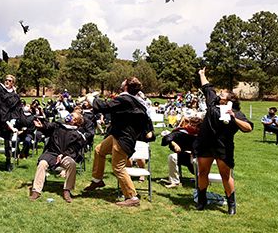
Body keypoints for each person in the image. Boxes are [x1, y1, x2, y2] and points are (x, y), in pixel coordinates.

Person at [84, 77, 154, 207]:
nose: (122, 81)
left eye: (125, 80)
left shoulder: (125, 99)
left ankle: (132, 197)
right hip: (118, 135)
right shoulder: (135, 101)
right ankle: (97, 180)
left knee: (118, 168)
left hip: (123, 138)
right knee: (99, 150)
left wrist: (90, 98)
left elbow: (104, 106)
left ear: (126, 86)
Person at [193, 67, 253, 215]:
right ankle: (202, 200)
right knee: (203, 173)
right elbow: (207, 87)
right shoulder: (212, 103)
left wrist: (234, 117)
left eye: (224, 92)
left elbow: (248, 128)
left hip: (223, 147)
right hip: (206, 144)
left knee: (225, 175)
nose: (221, 92)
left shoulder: (237, 113)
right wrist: (202, 74)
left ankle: (231, 204)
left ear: (230, 99)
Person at [29, 111, 86, 203]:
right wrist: (41, 126)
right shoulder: (58, 126)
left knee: (71, 164)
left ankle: (67, 190)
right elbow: (47, 127)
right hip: (52, 153)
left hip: (66, 155)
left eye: (72, 116)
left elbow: (74, 148)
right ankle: (36, 191)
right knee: (42, 163)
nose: (69, 116)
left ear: (75, 121)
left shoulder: (78, 134)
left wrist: (63, 154)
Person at [160, 114, 202, 188]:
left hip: (196, 157)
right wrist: (174, 143)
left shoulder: (202, 135)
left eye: (196, 125)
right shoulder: (182, 131)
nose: (193, 127)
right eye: (191, 124)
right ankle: (175, 182)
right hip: (182, 156)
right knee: (172, 157)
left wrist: (193, 152)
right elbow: (167, 137)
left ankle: (202, 180)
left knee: (197, 163)